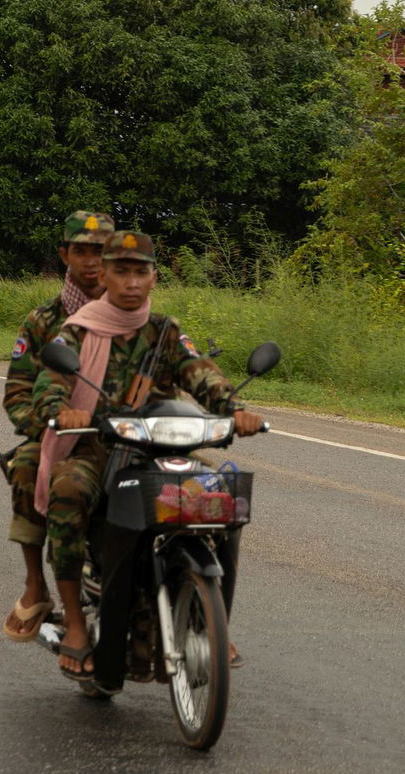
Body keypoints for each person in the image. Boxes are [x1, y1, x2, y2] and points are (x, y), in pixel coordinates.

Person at [30, 230, 264, 681]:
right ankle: (76, 623)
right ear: (106, 275)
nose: (132, 282)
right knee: (68, 491)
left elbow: (203, 376)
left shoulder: (166, 332)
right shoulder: (79, 329)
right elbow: (49, 387)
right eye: (122, 271)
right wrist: (63, 410)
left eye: (141, 271)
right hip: (98, 448)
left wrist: (235, 410)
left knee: (222, 496)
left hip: (160, 449)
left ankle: (211, 621)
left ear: (155, 277)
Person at [0, 210, 114, 642]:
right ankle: (36, 585)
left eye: (101, 252)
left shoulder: (135, 314)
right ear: (64, 254)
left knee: (205, 486)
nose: (92, 262)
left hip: (126, 436)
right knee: (29, 465)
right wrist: (47, 427)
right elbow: (18, 390)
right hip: (62, 438)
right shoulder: (43, 322)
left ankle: (205, 612)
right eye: (81, 251)